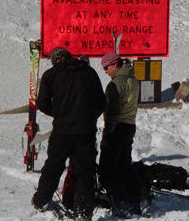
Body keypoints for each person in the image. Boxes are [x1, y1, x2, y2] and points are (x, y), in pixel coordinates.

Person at [32, 47, 105, 220]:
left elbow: (41, 103)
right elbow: (101, 102)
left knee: (53, 166)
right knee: (85, 172)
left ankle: (41, 200)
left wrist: (59, 112)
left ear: (55, 60)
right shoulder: (88, 72)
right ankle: (83, 211)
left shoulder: (50, 75)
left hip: (62, 130)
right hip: (86, 131)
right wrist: (87, 117)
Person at [98, 51, 141, 217]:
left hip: (117, 128)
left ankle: (121, 202)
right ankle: (134, 200)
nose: (105, 71)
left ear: (115, 64)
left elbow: (112, 111)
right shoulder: (133, 79)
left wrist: (108, 130)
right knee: (124, 166)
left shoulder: (115, 84)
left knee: (107, 170)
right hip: (130, 125)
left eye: (106, 67)